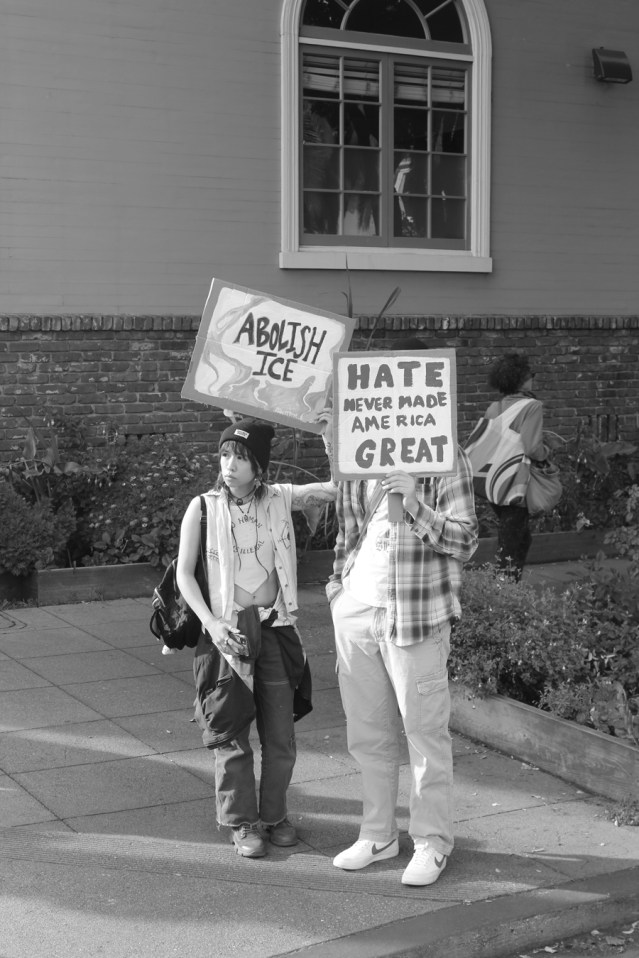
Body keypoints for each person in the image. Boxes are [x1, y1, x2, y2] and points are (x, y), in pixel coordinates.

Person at [325, 338, 478, 887]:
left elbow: (465, 540)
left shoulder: (444, 453)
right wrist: (337, 590)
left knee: (424, 734)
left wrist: (415, 503)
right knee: (367, 734)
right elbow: (346, 532)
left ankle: (431, 842)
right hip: (358, 612)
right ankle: (378, 833)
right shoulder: (356, 451)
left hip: (416, 616)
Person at [176, 417, 336, 859]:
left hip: (275, 627)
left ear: (259, 465)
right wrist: (211, 623)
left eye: (242, 458)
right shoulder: (202, 507)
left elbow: (336, 488)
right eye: (225, 454)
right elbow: (184, 574)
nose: (230, 465)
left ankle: (275, 816)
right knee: (230, 733)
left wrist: (330, 432)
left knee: (280, 735)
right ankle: (241, 821)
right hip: (228, 633)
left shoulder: (280, 498)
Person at [484, 353, 548, 580]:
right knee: (510, 543)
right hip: (516, 483)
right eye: (531, 375)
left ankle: (508, 586)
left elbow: (487, 444)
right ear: (521, 379)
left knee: (520, 537)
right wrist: (546, 452)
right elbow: (532, 448)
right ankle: (503, 590)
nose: (533, 378)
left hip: (493, 480)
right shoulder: (532, 407)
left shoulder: (495, 407)